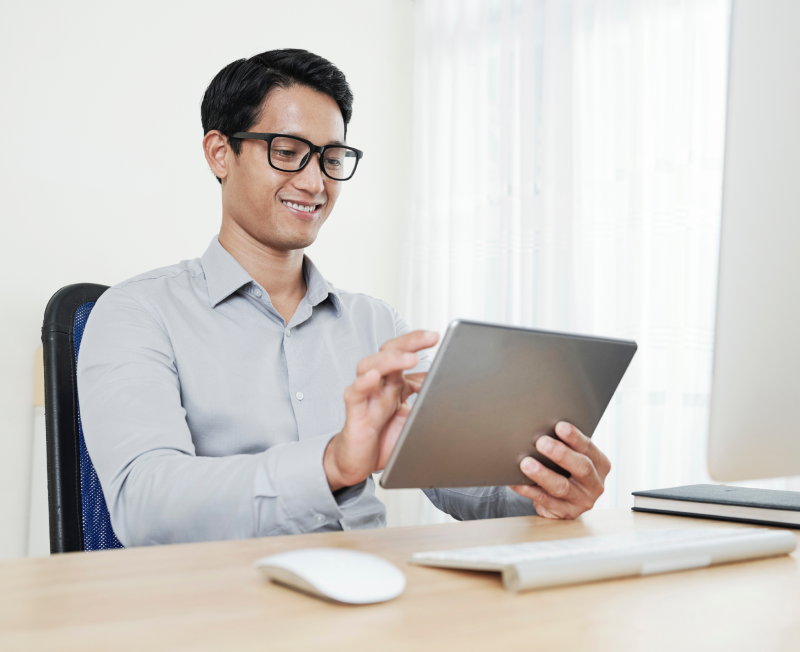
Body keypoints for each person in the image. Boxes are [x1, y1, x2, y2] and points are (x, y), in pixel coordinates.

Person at [77, 49, 611, 547]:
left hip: (372, 596)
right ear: (221, 153)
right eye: (287, 153)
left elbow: (452, 478)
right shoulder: (136, 313)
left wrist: (543, 492)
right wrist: (330, 465)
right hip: (225, 608)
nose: (314, 182)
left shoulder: (376, 325)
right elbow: (143, 503)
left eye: (331, 158)